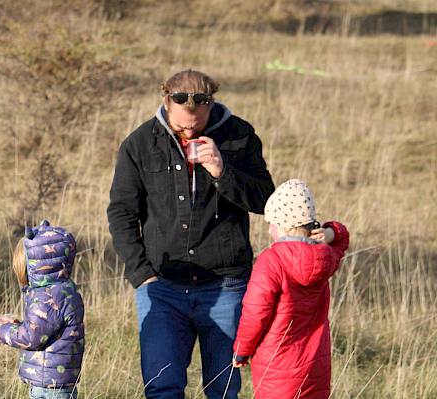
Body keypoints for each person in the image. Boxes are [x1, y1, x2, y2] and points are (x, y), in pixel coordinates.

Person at [106, 69, 275, 398]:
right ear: (167, 102)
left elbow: (265, 200)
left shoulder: (239, 136)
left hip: (226, 285)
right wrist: (142, 275)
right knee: (161, 387)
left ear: (210, 105)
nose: (188, 130)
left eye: (196, 123)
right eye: (182, 124)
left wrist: (222, 170)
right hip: (162, 288)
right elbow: (122, 212)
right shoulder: (140, 143)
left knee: (223, 389)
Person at [232, 179, 349, 399]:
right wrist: (330, 233)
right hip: (315, 368)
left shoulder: (272, 261)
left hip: (277, 368)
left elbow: (255, 312)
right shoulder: (325, 256)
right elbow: (342, 237)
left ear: (284, 225)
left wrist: (242, 350)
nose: (270, 229)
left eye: (272, 223)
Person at [0, 220, 84, 399]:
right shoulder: (62, 290)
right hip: (55, 384)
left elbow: (32, 337)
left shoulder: (47, 296)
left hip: (49, 388)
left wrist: (2, 331)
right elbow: (45, 329)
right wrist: (18, 325)